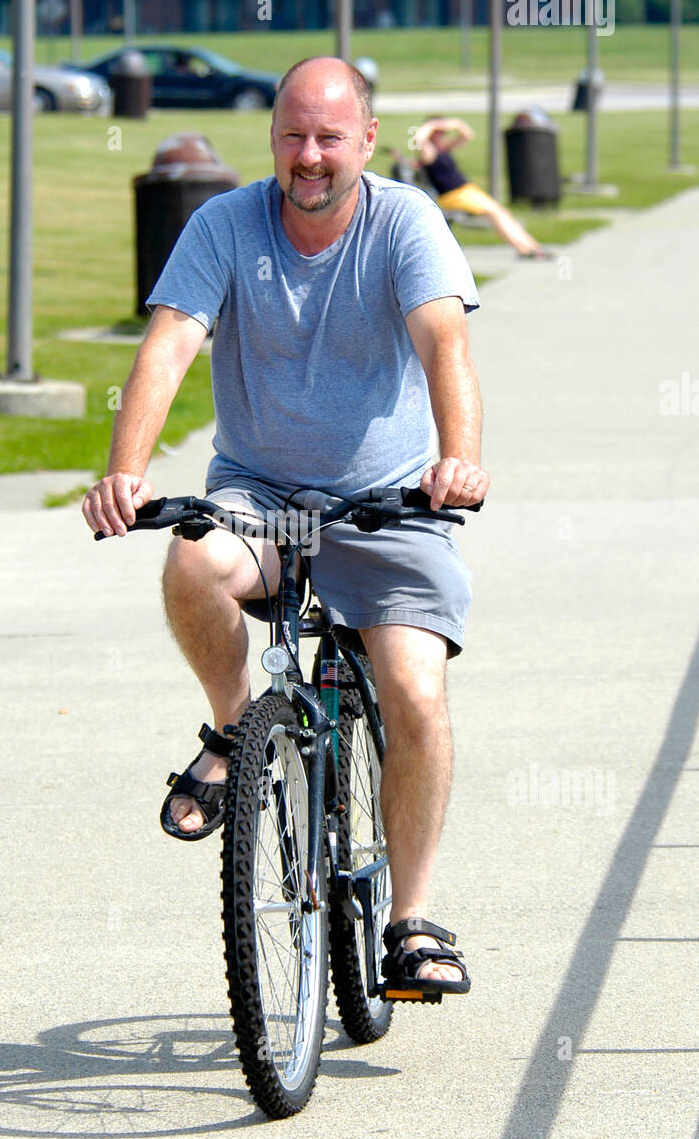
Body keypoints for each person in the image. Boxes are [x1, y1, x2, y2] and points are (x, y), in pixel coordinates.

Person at [82, 57, 491, 996]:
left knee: (413, 696)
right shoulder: (224, 224)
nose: (310, 158)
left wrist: (457, 459)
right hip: (261, 493)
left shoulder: (405, 222)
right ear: (272, 138)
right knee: (194, 559)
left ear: (367, 143)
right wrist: (126, 474)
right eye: (294, 137)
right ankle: (234, 729)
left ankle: (412, 920)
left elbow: (445, 342)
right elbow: (171, 345)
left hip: (391, 502)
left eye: (330, 139)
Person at [393, 116, 553, 260]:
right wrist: (431, 125)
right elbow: (419, 139)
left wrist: (453, 123)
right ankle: (524, 250)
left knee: (501, 212)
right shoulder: (427, 151)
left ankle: (533, 247)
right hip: (453, 195)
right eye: (438, 132)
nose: (441, 135)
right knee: (495, 214)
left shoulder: (443, 149)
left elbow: (467, 135)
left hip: (467, 191)